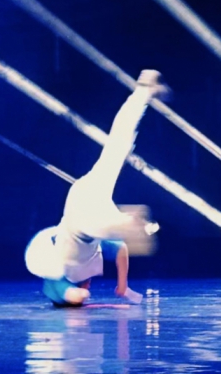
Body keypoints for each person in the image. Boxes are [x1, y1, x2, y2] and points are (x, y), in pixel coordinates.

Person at [25, 70, 169, 307]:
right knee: (118, 146)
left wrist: (87, 301)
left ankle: (128, 223)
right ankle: (143, 91)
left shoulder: (55, 281)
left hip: (82, 221)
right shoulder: (88, 255)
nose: (89, 286)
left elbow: (77, 296)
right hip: (84, 202)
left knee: (114, 227)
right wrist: (122, 286)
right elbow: (121, 250)